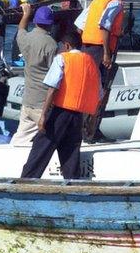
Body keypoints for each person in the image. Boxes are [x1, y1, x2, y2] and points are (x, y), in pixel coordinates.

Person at [20, 31, 101, 180]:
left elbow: (52, 88)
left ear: (67, 45)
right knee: (70, 153)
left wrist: (43, 115)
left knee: (42, 146)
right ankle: (72, 185)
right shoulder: (91, 63)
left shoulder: (62, 59)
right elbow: (98, 95)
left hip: (60, 112)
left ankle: (27, 180)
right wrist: (92, 121)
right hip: (78, 116)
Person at [11, 4, 59, 146]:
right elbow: (55, 76)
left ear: (36, 21)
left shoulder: (25, 38)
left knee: (21, 137)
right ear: (50, 25)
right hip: (42, 103)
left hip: (28, 100)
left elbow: (21, 29)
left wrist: (26, 14)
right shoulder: (51, 45)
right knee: (52, 137)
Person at [74, 0, 129, 72]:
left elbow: (79, 26)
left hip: (85, 46)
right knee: (97, 78)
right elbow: (104, 26)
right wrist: (106, 53)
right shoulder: (115, 3)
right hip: (99, 49)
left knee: (85, 74)